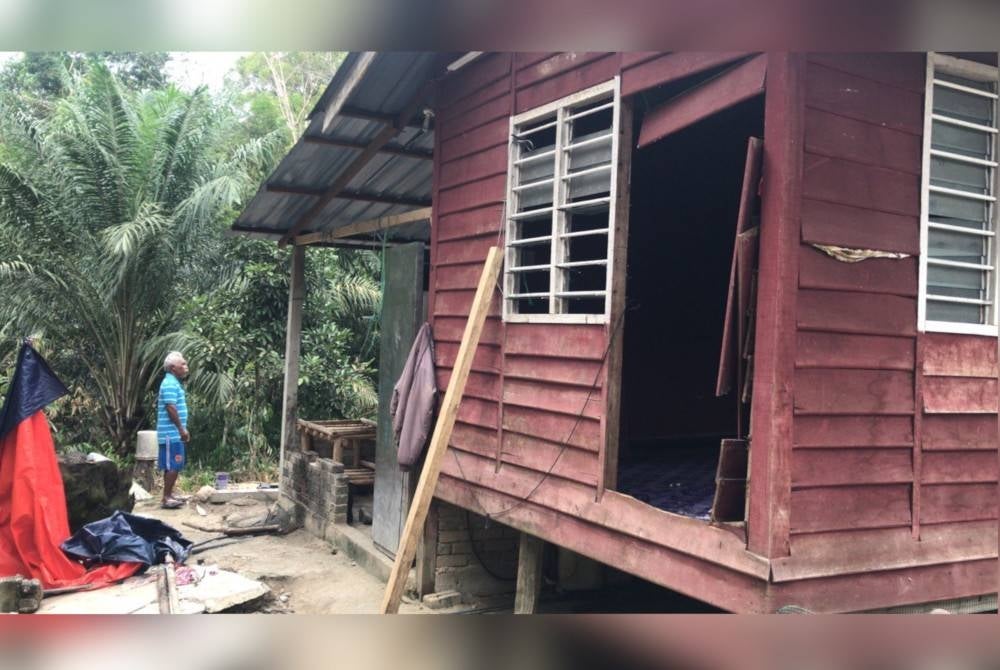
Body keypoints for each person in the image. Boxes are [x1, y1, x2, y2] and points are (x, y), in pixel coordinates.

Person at [157, 351, 189, 509]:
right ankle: (166, 498)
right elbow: (171, 408)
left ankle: (169, 494)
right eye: (182, 364)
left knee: (172, 465)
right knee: (174, 465)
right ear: (172, 368)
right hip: (171, 433)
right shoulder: (169, 383)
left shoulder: (173, 382)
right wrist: (181, 429)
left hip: (172, 432)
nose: (186, 367)